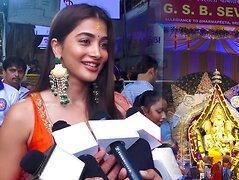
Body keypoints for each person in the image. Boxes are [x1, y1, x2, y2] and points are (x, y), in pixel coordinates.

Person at [0, 4, 161, 180]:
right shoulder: (23, 114)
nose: (97, 53)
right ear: (57, 47)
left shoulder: (119, 105)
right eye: (85, 41)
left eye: (104, 44)